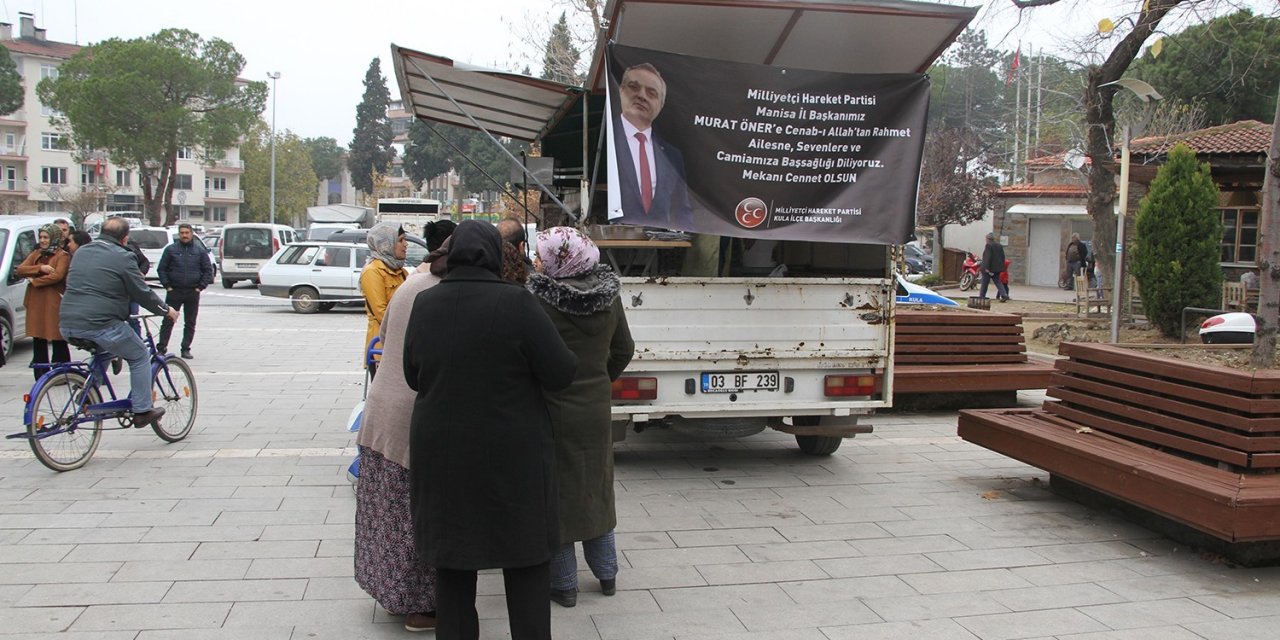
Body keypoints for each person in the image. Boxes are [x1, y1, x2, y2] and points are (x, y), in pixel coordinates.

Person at [402, 220, 577, 640]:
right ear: (496, 256)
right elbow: (561, 372)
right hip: (512, 457)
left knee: (454, 566)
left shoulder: (425, 304)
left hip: (443, 455)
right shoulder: (517, 303)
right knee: (526, 561)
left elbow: (413, 375)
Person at [354, 225, 457, 633]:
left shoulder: (413, 282)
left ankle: (395, 596)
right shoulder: (438, 292)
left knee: (390, 516)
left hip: (384, 412)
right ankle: (421, 607)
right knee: (415, 518)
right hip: (409, 417)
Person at [526, 227, 634, 608]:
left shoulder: (539, 301)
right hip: (594, 407)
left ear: (559, 258)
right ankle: (607, 575)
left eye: (542, 254)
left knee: (557, 496)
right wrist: (600, 380)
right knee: (596, 490)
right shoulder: (609, 296)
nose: (537, 261)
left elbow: (529, 356)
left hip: (552, 407)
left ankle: (565, 585)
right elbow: (624, 348)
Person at [60, 217, 179, 428]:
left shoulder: (81, 252)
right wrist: (165, 310)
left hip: (67, 323)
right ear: (125, 239)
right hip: (100, 323)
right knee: (140, 354)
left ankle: (86, 393)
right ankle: (142, 410)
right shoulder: (124, 256)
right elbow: (141, 292)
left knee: (105, 350)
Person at [611, 62, 694, 230]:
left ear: (661, 105)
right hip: (609, 246)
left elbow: (682, 210)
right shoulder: (604, 140)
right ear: (620, 91)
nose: (642, 96)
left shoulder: (672, 156)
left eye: (651, 93)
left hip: (656, 249)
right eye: (634, 87)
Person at [16, 224, 71, 380]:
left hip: (53, 300)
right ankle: (40, 376)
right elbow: (21, 269)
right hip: (36, 301)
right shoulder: (36, 253)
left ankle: (61, 374)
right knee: (38, 337)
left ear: (54, 238)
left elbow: (57, 276)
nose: (42, 240)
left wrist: (35, 281)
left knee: (57, 337)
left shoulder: (62, 255)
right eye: (41, 237)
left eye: (46, 237)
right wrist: (41, 268)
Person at [156, 223, 214, 359]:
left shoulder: (199, 251)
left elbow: (207, 270)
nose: (184, 235)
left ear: (192, 233)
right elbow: (162, 269)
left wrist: (200, 287)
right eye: (182, 233)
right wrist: (167, 285)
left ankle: (185, 348)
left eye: (187, 233)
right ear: (179, 234)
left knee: (190, 322)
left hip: (192, 292)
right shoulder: (171, 250)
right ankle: (161, 348)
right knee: (168, 320)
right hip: (174, 291)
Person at [360, 223, 409, 378]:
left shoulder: (402, 271)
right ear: (386, 244)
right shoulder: (373, 272)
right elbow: (381, 313)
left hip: (402, 344)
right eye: (400, 240)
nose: (405, 245)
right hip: (382, 348)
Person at [979, 232, 1009, 302]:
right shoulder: (999, 246)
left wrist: (985, 268)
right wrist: (1002, 267)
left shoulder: (988, 246)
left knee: (984, 283)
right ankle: (1004, 294)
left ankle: (981, 296)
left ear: (987, 239)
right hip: (997, 269)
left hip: (989, 268)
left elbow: (987, 257)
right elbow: (1002, 257)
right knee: (998, 282)